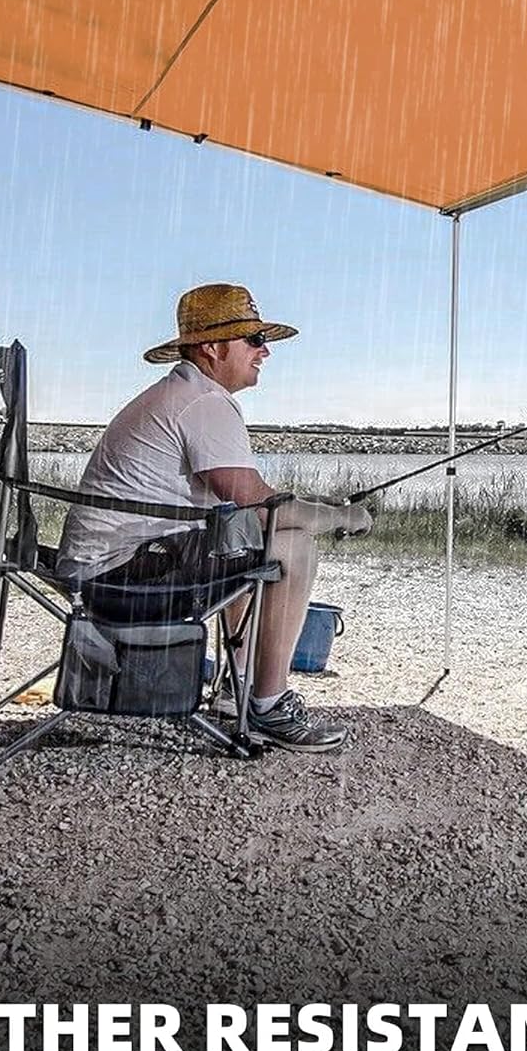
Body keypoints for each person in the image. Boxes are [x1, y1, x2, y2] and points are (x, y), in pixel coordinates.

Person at [56, 283, 372, 752]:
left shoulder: (182, 393)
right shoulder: (204, 402)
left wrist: (317, 506)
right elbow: (261, 509)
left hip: (99, 570)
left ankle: (234, 689)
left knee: (235, 539)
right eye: (254, 340)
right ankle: (268, 703)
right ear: (212, 347)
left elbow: (247, 504)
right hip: (119, 579)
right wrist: (343, 516)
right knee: (292, 546)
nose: (264, 351)